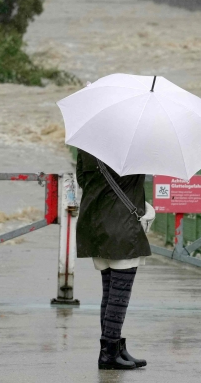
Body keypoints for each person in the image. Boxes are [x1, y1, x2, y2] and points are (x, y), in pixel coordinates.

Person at [75, 148, 151, 370]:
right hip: (122, 227)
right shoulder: (134, 148)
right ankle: (108, 354)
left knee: (109, 293)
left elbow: (82, 180)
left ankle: (114, 348)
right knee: (119, 296)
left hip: (95, 225)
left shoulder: (87, 146)